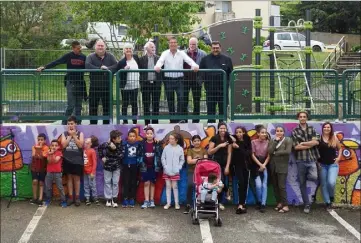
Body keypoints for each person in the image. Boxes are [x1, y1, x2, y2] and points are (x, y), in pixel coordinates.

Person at [37, 41, 86, 125]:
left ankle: (78, 123)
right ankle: (64, 123)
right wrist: (45, 67)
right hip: (71, 82)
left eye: (80, 48)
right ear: (73, 48)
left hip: (80, 83)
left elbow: (89, 65)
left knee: (79, 106)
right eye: (78, 48)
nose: (79, 50)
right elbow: (57, 62)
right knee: (71, 105)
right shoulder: (68, 56)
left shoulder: (84, 57)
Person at [154, 37, 199, 123]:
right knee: (170, 100)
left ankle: (179, 118)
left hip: (180, 80)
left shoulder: (181, 53)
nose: (173, 44)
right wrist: (157, 66)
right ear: (169, 44)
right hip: (168, 80)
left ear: (177, 44)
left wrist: (195, 66)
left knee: (181, 99)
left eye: (174, 42)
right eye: (171, 42)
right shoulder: (165, 53)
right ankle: (172, 120)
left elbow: (189, 61)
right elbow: (160, 61)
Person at [292, 111, 320, 214]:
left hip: (312, 159)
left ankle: (307, 175)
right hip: (300, 160)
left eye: (304, 116)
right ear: (298, 118)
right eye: (301, 117)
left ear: (307, 118)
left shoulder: (312, 129)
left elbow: (316, 142)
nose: (302, 118)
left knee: (314, 177)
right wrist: (310, 144)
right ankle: (307, 204)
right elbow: (296, 147)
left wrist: (303, 143)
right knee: (302, 183)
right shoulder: (295, 131)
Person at [199, 41, 233, 123]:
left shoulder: (227, 59)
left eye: (217, 48)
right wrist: (201, 83)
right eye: (213, 48)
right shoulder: (205, 60)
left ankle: (223, 129)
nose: (215, 50)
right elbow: (201, 73)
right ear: (211, 49)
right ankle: (211, 129)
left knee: (223, 112)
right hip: (210, 91)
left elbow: (231, 74)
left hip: (223, 91)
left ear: (220, 48)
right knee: (210, 112)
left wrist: (229, 85)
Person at [85, 39, 117, 125]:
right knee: (93, 107)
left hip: (107, 88)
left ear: (105, 47)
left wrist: (107, 69)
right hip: (94, 87)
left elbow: (116, 66)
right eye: (98, 46)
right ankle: (93, 125)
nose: (100, 47)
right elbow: (87, 66)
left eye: (102, 46)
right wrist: (100, 69)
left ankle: (106, 125)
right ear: (95, 47)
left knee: (107, 108)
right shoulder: (90, 56)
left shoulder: (111, 56)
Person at [111, 43, 140, 124]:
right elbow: (117, 71)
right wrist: (124, 69)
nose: (128, 50)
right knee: (125, 103)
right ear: (124, 51)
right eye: (126, 48)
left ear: (132, 50)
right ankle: (125, 121)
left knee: (134, 103)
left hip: (135, 85)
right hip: (125, 86)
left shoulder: (136, 58)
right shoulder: (121, 61)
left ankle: (135, 121)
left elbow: (140, 67)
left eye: (130, 48)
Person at [208, 122, 233, 210]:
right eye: (221, 128)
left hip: (225, 163)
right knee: (219, 182)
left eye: (224, 128)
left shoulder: (228, 139)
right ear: (218, 129)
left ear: (226, 129)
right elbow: (209, 152)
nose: (223, 130)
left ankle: (221, 202)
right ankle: (225, 193)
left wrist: (227, 166)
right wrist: (219, 146)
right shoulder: (214, 138)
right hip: (215, 164)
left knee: (222, 182)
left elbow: (229, 153)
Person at [268, 126, 292, 213]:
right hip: (273, 166)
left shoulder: (288, 140)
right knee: (275, 186)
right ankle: (279, 203)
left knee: (281, 186)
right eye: (277, 131)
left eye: (281, 131)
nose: (279, 132)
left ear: (284, 132)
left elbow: (287, 151)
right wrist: (275, 142)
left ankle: (285, 205)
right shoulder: (272, 140)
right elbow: (270, 151)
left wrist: (276, 153)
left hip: (282, 167)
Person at [61, 116, 84, 206]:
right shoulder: (64, 134)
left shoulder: (80, 133)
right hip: (67, 159)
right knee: (69, 178)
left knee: (77, 179)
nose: (70, 125)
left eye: (72, 124)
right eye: (69, 124)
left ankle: (77, 198)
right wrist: (70, 136)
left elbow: (80, 145)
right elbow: (63, 145)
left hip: (77, 160)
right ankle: (71, 197)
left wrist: (74, 135)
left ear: (75, 124)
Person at [318, 122, 342, 210]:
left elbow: (340, 149)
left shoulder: (334, 137)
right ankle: (328, 202)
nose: (327, 129)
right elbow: (315, 151)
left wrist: (339, 158)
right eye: (325, 127)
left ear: (331, 128)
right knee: (323, 184)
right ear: (322, 128)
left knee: (331, 183)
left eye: (328, 127)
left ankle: (331, 196)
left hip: (333, 165)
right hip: (322, 165)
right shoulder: (319, 138)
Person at [139, 41, 163, 125]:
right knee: (146, 104)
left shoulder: (159, 58)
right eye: (152, 47)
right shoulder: (141, 59)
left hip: (156, 84)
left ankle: (155, 123)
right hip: (145, 84)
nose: (154, 48)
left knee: (156, 104)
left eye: (154, 47)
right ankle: (147, 124)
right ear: (147, 48)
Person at [183, 37, 207, 123]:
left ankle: (196, 120)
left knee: (196, 101)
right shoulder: (183, 53)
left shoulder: (203, 54)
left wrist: (202, 79)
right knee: (184, 100)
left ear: (197, 44)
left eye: (194, 44)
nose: (192, 46)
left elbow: (205, 67)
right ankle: (184, 119)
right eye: (191, 44)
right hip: (185, 81)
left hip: (197, 81)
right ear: (188, 44)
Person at [98, 130, 124, 208]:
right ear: (113, 139)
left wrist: (115, 149)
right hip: (107, 167)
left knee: (115, 183)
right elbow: (99, 148)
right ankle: (108, 199)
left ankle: (114, 199)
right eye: (118, 137)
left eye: (120, 137)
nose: (120, 139)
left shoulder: (121, 145)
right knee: (107, 182)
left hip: (116, 167)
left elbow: (121, 156)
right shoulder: (106, 144)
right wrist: (102, 157)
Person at [139, 127, 163, 209]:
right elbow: (139, 155)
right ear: (145, 135)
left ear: (153, 135)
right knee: (146, 183)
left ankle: (152, 200)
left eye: (151, 133)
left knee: (152, 183)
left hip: (154, 167)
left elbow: (160, 155)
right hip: (144, 167)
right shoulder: (142, 144)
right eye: (147, 133)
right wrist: (141, 162)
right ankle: (146, 201)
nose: (149, 135)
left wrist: (158, 164)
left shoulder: (157, 144)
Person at [184, 135, 208, 214]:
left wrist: (195, 160)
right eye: (195, 141)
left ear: (200, 141)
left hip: (202, 172)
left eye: (198, 140)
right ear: (192, 142)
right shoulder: (190, 150)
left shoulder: (204, 150)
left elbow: (205, 161)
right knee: (190, 185)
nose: (197, 142)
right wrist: (199, 160)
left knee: (203, 187)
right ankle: (188, 204)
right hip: (192, 171)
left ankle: (202, 204)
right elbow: (189, 161)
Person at [231, 127, 252, 214]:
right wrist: (232, 139)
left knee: (245, 184)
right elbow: (227, 136)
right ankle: (240, 204)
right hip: (237, 166)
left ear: (243, 132)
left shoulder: (247, 140)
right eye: (237, 132)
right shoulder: (234, 140)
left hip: (246, 166)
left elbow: (247, 153)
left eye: (240, 132)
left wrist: (238, 147)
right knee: (241, 183)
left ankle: (243, 203)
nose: (238, 134)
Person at [161, 132, 185, 209]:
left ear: (176, 140)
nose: (170, 140)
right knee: (168, 186)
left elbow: (182, 159)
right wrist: (165, 166)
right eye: (169, 138)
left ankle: (176, 203)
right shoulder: (166, 148)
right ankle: (168, 203)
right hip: (167, 171)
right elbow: (163, 158)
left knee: (175, 186)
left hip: (175, 171)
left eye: (172, 139)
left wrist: (179, 167)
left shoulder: (180, 149)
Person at [122, 129, 143, 208]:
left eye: (133, 136)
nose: (132, 138)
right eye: (130, 136)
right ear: (128, 137)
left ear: (136, 137)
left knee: (133, 182)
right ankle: (125, 198)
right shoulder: (124, 144)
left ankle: (132, 198)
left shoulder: (139, 144)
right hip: (125, 165)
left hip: (135, 165)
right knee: (126, 182)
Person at [251, 125, 270, 213]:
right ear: (258, 133)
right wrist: (260, 165)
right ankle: (258, 201)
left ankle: (263, 204)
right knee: (258, 185)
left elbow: (269, 155)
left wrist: (264, 165)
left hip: (265, 164)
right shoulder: (253, 142)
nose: (264, 134)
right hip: (256, 165)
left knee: (264, 185)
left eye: (265, 132)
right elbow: (252, 155)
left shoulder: (268, 142)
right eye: (262, 132)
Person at [44, 139, 67, 208]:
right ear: (50, 146)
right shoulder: (48, 153)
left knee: (60, 187)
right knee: (48, 187)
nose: (54, 147)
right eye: (52, 145)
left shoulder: (59, 153)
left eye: (56, 145)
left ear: (58, 147)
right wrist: (49, 153)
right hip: (49, 172)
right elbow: (49, 161)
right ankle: (48, 199)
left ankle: (63, 201)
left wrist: (52, 153)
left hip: (57, 173)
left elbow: (55, 161)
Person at [30, 133, 49, 206]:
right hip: (34, 167)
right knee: (35, 181)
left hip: (42, 168)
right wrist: (38, 149)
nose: (40, 141)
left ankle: (40, 198)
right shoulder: (34, 147)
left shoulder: (46, 148)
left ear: (44, 140)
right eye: (39, 140)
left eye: (41, 140)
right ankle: (34, 197)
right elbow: (34, 156)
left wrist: (40, 148)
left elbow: (42, 157)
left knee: (41, 183)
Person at [83, 136, 100, 206]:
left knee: (93, 185)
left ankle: (95, 197)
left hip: (91, 172)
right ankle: (87, 198)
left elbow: (95, 162)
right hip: (85, 172)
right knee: (86, 185)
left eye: (89, 139)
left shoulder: (92, 151)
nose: (87, 139)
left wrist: (93, 172)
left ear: (90, 143)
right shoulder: (84, 150)